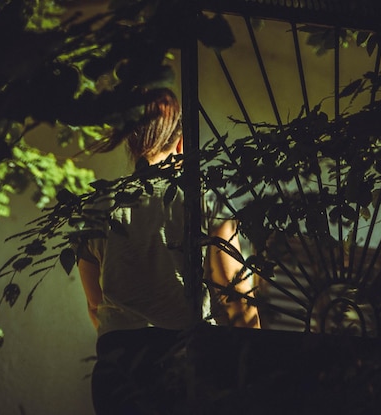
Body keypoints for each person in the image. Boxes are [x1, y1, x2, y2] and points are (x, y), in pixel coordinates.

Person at [76, 88, 259, 414]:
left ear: (131, 143)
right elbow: (236, 299)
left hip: (117, 364)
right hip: (185, 362)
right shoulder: (205, 201)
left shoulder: (96, 206)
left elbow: (95, 303)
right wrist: (255, 371)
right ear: (181, 144)